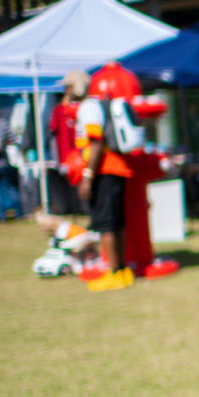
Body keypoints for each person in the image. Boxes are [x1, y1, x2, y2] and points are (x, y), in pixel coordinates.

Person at [75, 71, 137, 291]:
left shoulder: (88, 108)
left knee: (106, 224)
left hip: (104, 170)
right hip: (115, 168)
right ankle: (120, 269)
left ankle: (114, 272)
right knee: (115, 221)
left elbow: (95, 142)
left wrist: (87, 176)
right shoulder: (98, 105)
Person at [48, 71, 87, 215]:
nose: (66, 90)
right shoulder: (60, 110)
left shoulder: (86, 108)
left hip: (84, 155)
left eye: (69, 87)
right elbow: (53, 131)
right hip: (68, 157)